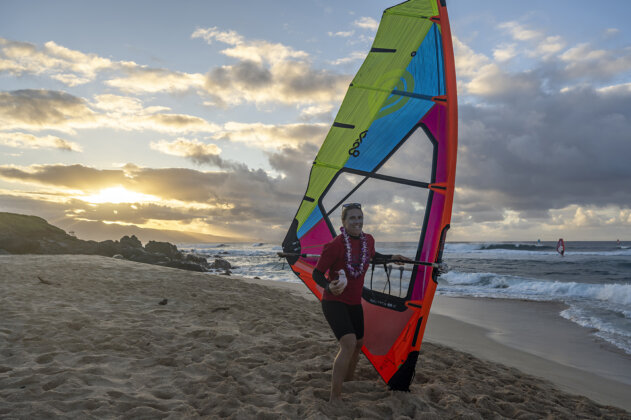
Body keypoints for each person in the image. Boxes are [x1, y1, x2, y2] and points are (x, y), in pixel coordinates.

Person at [312, 203, 410, 403]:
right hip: (334, 301)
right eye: (352, 218)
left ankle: (348, 380)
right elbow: (317, 274)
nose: (357, 221)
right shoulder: (334, 246)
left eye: (359, 217)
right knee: (348, 344)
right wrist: (329, 286)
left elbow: (372, 257)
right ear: (343, 222)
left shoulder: (368, 240)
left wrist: (392, 257)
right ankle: (335, 396)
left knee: (358, 343)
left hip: (354, 302)